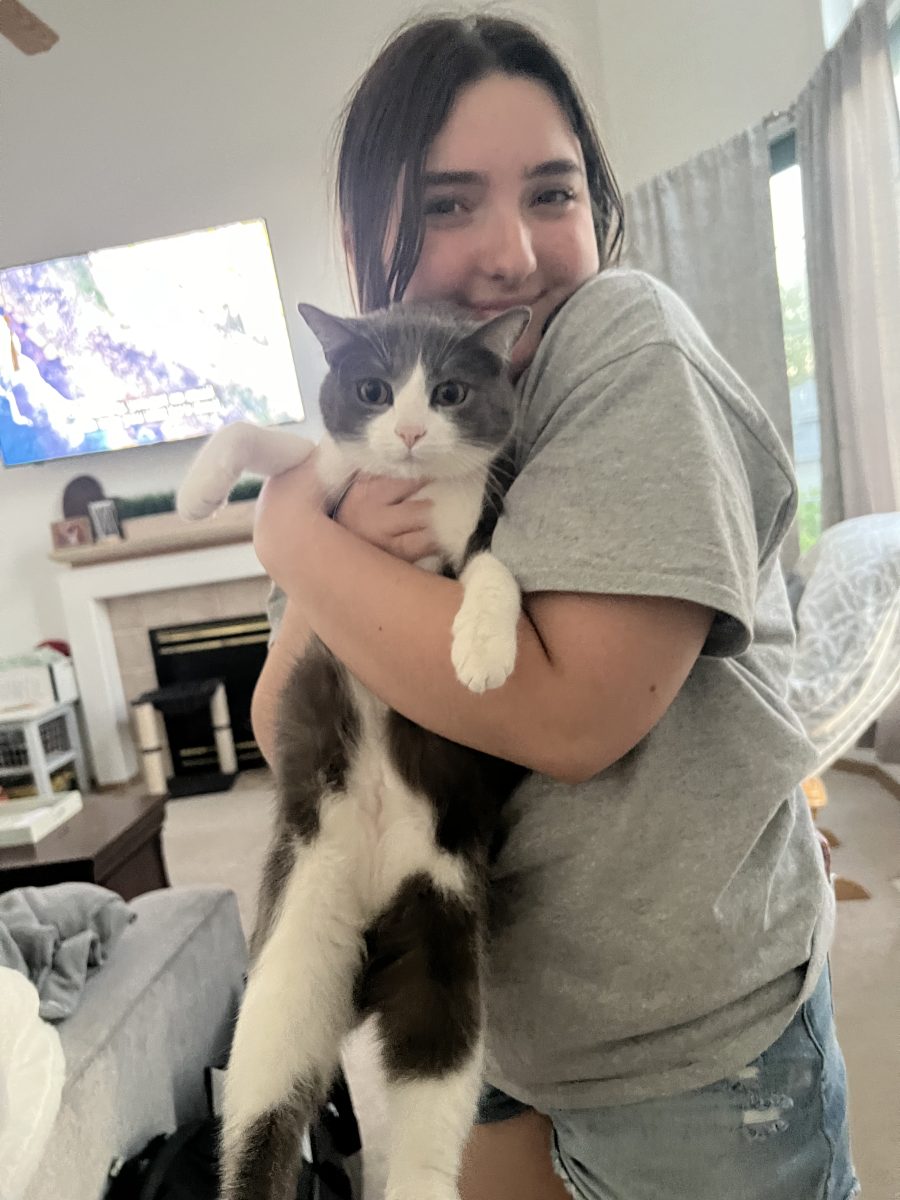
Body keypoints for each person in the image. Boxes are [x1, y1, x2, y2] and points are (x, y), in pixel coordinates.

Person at [250, 14, 858, 1200]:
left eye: (552, 191)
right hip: (503, 1009)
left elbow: (574, 717)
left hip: (687, 1049)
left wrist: (289, 534)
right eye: (447, 204)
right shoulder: (398, 416)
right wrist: (320, 560)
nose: (514, 253)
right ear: (364, 224)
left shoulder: (624, 342)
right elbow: (285, 728)